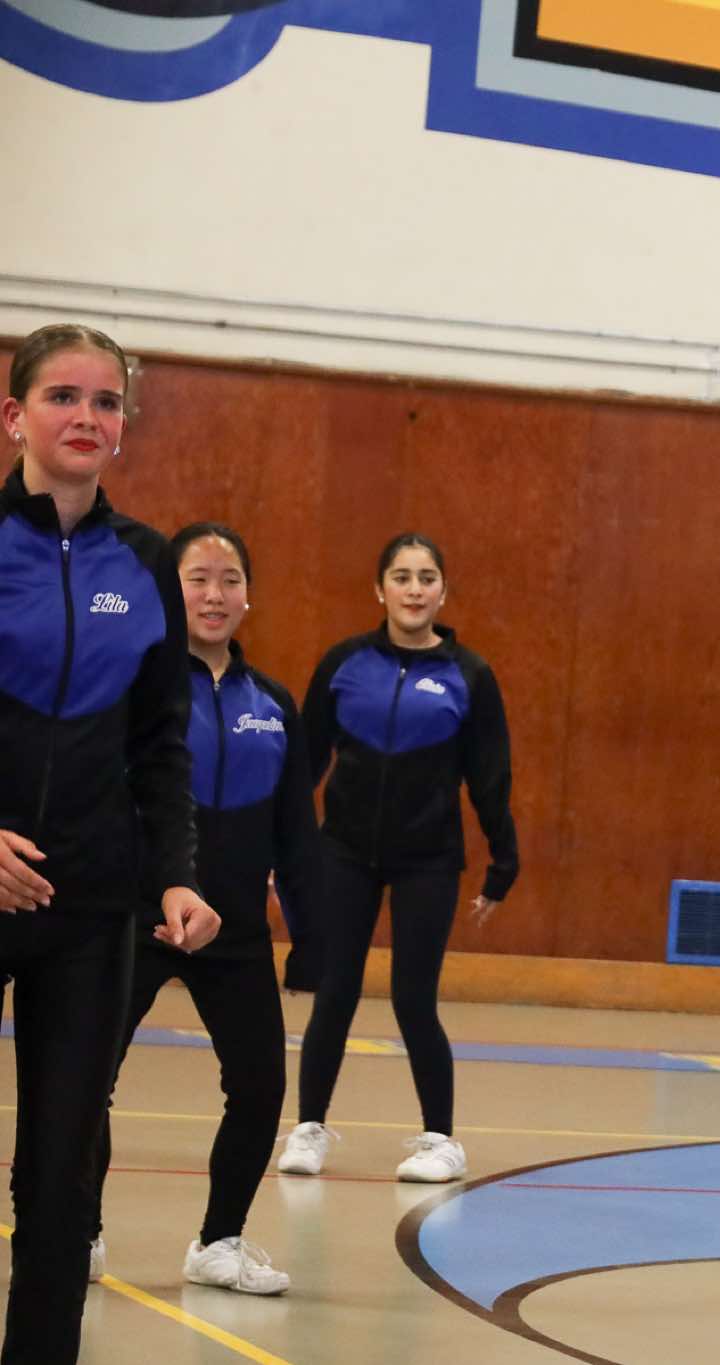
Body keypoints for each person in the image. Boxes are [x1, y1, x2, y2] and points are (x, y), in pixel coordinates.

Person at [0, 323, 220, 1362]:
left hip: (91, 906)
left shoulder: (145, 561)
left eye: (106, 401)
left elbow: (160, 740)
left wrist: (174, 873)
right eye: (63, 397)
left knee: (61, 1173)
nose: (86, 417)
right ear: (15, 416)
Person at [91, 521, 320, 1294]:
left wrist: (309, 933)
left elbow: (296, 831)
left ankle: (220, 1240)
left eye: (230, 579)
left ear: (248, 595)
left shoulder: (274, 704)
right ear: (169, 589)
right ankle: (80, 1228)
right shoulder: (133, 690)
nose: (215, 594)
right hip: (136, 916)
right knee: (89, 1076)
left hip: (238, 932)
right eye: (197, 578)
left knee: (259, 1087)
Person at [278, 532, 517, 1183]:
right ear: (379, 589)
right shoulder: (344, 664)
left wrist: (503, 861)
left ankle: (440, 1139)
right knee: (335, 990)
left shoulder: (469, 675)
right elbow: (305, 764)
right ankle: (308, 1128)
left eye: (426, 577)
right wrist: (282, 847)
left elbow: (490, 776)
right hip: (343, 853)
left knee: (414, 998)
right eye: (402, 577)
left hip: (428, 858)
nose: (414, 589)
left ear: (443, 591)